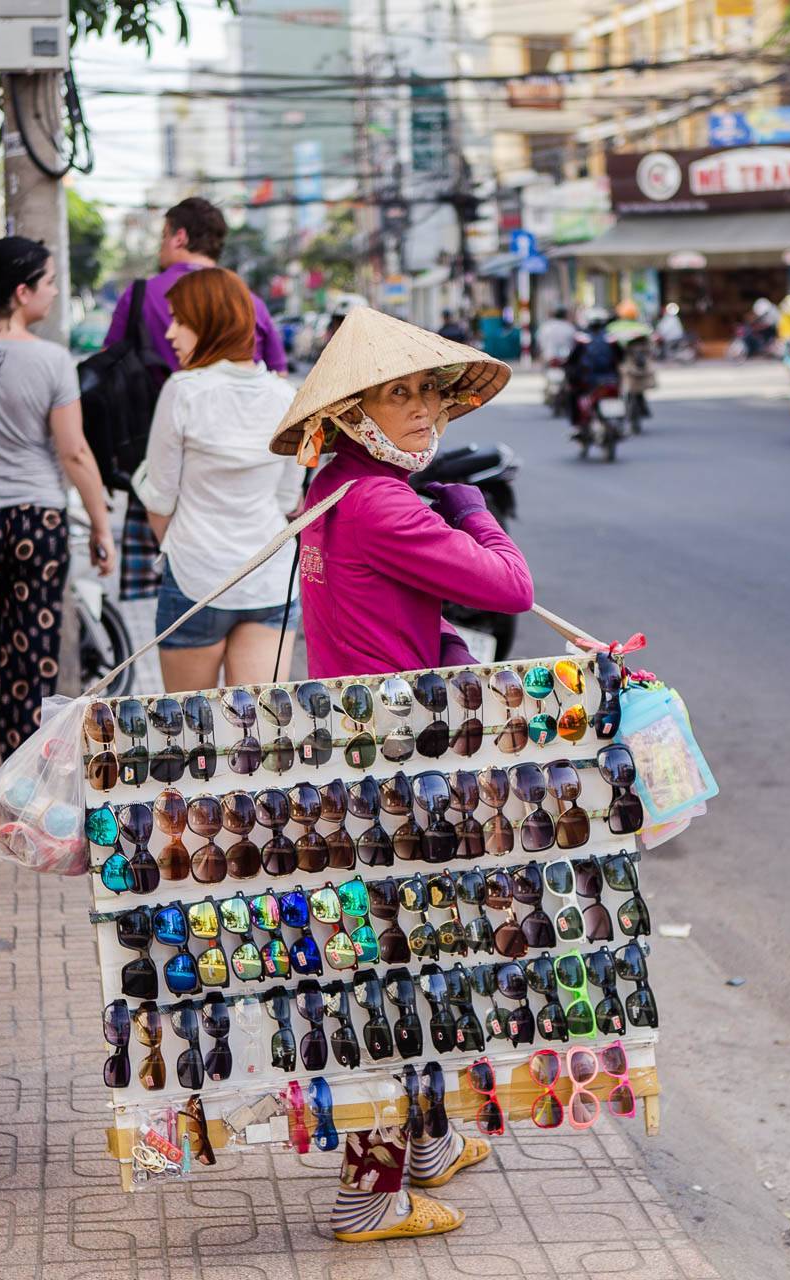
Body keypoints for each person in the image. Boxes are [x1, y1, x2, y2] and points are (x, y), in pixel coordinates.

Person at [267, 307, 530, 1240]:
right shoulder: (380, 502)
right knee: (392, 976)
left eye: (426, 391)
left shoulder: (340, 485)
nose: (422, 410)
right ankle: (367, 1195)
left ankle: (420, 1148)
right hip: (392, 771)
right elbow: (511, 587)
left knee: (416, 961)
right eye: (398, 393)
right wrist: (474, 510)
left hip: (364, 752)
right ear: (352, 412)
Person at [0, 235, 116, 762]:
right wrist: (101, 526)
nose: (55, 293)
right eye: (50, 282)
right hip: (37, 522)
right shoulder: (54, 362)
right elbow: (74, 452)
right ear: (23, 289)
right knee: (29, 658)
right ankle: (19, 789)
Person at [104, 197, 290, 606]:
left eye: (163, 236)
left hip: (159, 459)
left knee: (184, 602)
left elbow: (108, 371)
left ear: (180, 236)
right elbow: (278, 379)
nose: (160, 247)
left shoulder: (138, 296)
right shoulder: (247, 300)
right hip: (242, 473)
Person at [130, 267, 303, 691]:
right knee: (255, 737)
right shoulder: (286, 397)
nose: (171, 333)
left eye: (180, 320)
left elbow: (160, 501)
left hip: (196, 580)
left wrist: (178, 553)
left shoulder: (183, 390)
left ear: (209, 322)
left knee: (190, 737)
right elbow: (286, 500)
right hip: (269, 578)